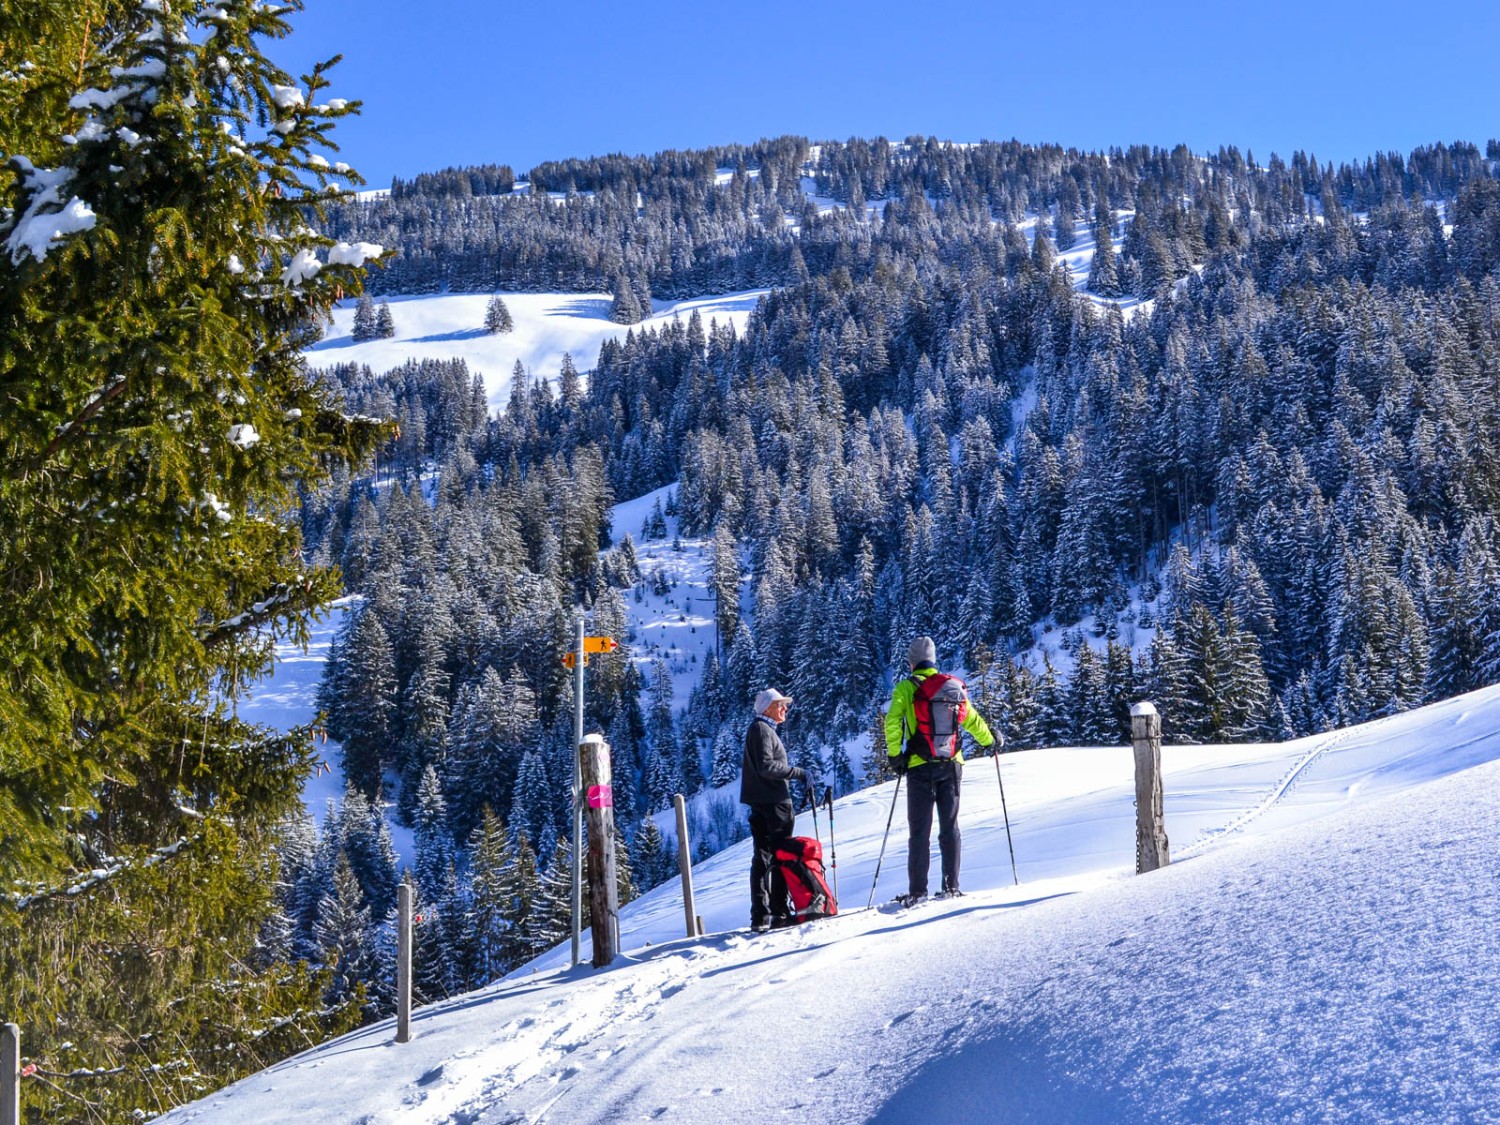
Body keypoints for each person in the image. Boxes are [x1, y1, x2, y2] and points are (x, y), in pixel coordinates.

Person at [884, 636, 997, 902]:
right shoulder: (951, 687)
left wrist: (894, 756)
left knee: (919, 831)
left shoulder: (906, 687)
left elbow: (892, 722)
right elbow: (971, 720)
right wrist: (990, 741)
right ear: (933, 659)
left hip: (919, 766)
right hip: (952, 764)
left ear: (911, 662)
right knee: (950, 827)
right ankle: (951, 887)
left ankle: (918, 892)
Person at [740, 688, 807, 932]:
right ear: (767, 707)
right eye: (780, 704)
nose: (785, 708)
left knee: (763, 857)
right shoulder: (762, 729)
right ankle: (776, 913)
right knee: (779, 857)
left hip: (761, 802)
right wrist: (798, 773)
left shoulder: (760, 729)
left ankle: (762, 915)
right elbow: (767, 767)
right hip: (774, 804)